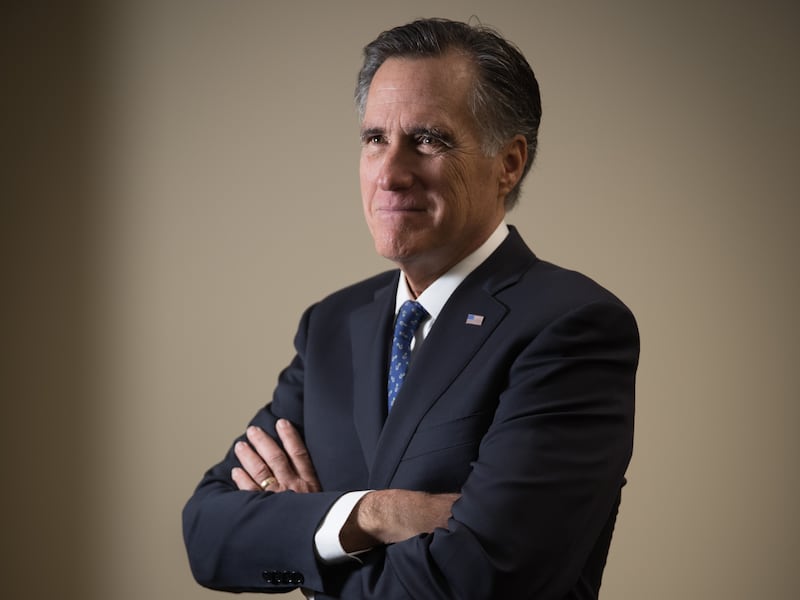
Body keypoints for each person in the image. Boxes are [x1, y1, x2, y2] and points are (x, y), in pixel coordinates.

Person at [182, 17, 639, 599]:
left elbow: (480, 584)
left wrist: (307, 545)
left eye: (429, 139)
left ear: (509, 163)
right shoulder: (331, 327)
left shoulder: (571, 327)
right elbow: (209, 545)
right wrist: (370, 515)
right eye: (376, 138)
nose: (392, 174)